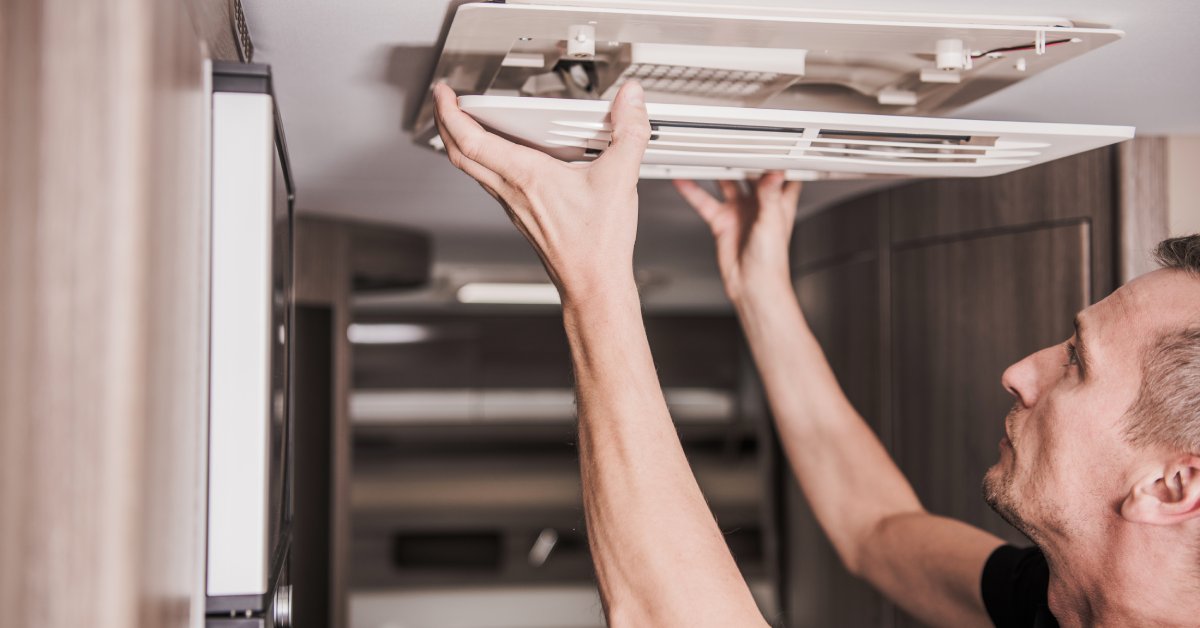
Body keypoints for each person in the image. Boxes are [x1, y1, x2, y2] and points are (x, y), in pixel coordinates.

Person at [430, 80, 1200, 627]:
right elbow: (877, 530)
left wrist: (594, 283)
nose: (1020, 371)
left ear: (1170, 487)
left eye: (1076, 362)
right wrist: (761, 290)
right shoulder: (1061, 600)